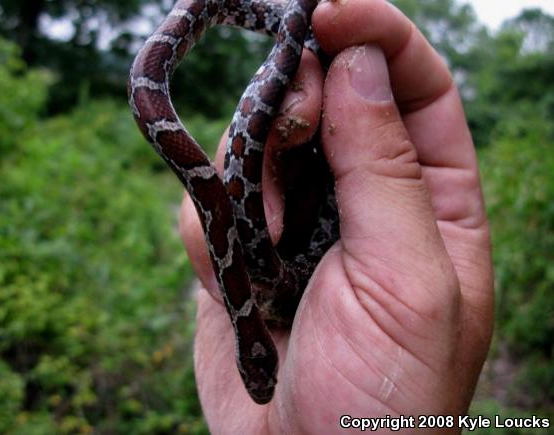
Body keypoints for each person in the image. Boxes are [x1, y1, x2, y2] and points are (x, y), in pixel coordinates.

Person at [179, 0, 494, 432]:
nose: (267, 385)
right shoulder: (255, 299)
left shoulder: (251, 293)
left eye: (261, 375)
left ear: (245, 355)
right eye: (267, 377)